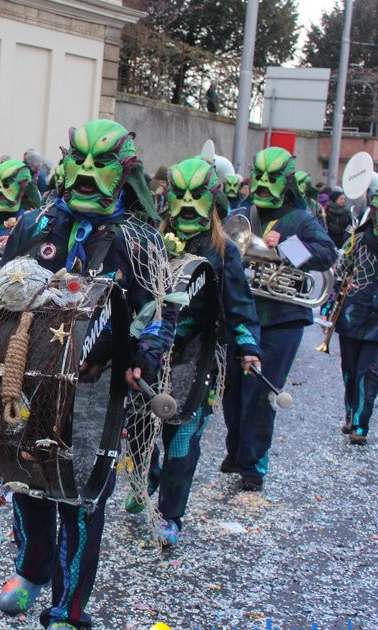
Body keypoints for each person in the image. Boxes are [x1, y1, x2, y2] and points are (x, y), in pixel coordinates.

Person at [0, 119, 174, 630]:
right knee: (26, 479)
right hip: (29, 383)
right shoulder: (35, 221)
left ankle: (69, 614)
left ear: (124, 173)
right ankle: (31, 568)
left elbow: (160, 315)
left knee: (79, 499)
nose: (89, 175)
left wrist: (142, 354)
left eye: (104, 165)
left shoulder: (139, 241)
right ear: (67, 161)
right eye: (82, 161)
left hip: (96, 395)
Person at [140, 157, 262, 546]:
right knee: (139, 436)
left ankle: (171, 515)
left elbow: (241, 307)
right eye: (181, 196)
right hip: (151, 353)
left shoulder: (225, 252)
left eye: (197, 196)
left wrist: (247, 346)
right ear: (168, 199)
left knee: (181, 439)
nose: (188, 204)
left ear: (212, 201)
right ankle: (148, 476)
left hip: (199, 356)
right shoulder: (152, 242)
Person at [221, 147, 337, 491]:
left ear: (286, 182)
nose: (265, 183)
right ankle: (237, 451)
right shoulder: (242, 213)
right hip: (242, 314)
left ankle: (253, 464)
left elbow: (327, 253)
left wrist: (286, 246)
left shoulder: (300, 218)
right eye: (260, 176)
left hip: (281, 319)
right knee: (233, 388)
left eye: (273, 178)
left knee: (260, 391)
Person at [334, 188, 378, 446]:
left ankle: (361, 425)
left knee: (368, 373)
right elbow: (341, 269)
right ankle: (351, 415)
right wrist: (344, 281)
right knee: (350, 371)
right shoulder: (357, 239)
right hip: (353, 312)